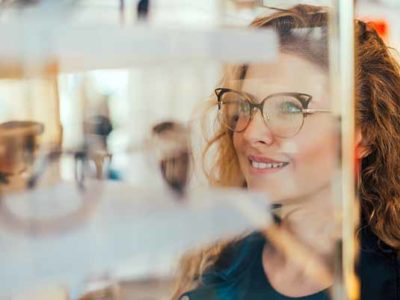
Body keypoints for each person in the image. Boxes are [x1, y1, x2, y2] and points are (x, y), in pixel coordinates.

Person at [172, 4, 400, 300]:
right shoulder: (220, 267)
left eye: (290, 107)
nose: (250, 132)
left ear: (363, 134)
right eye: (244, 106)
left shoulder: (387, 281)